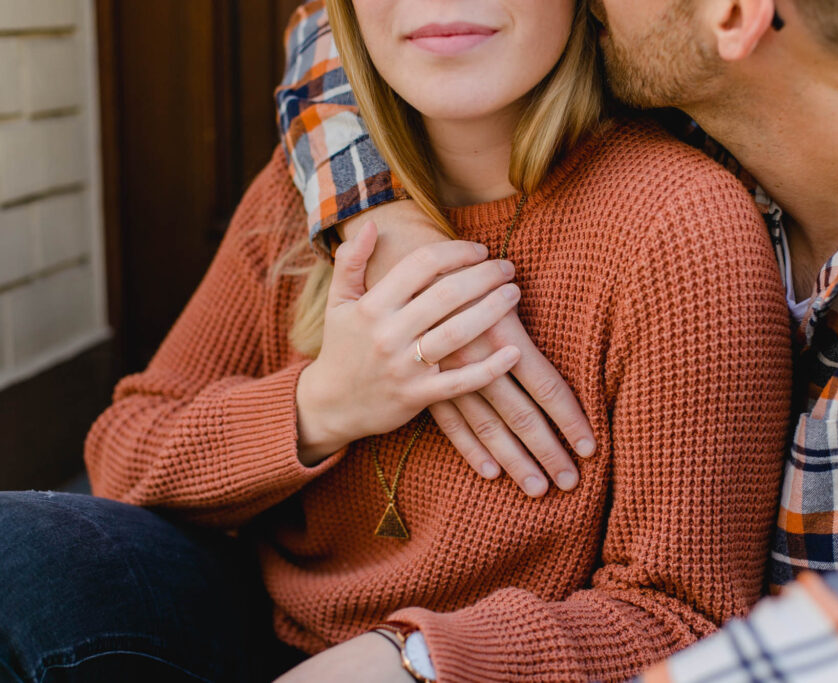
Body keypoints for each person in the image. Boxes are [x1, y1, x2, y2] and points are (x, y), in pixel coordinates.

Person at [0, 0, 792, 681]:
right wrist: (322, 405)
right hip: (257, 627)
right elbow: (123, 451)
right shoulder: (299, 192)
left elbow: (686, 617)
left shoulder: (678, 224)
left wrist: (412, 658)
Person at [276, 0, 838, 680]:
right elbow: (339, 30)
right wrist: (383, 219)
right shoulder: (716, 86)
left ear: (734, 16)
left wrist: (425, 665)